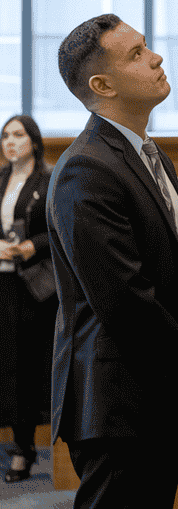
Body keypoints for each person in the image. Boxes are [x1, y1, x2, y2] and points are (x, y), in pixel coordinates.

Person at [47, 14, 178, 508]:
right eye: (136, 54)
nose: (156, 57)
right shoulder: (86, 167)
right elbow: (125, 299)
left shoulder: (150, 155)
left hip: (152, 392)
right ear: (102, 85)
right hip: (117, 403)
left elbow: (173, 270)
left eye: (146, 46)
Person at [0, 114, 57, 483]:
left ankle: (25, 449)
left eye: (18, 135)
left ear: (33, 141)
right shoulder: (0, 179)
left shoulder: (49, 180)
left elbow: (59, 231)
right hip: (1, 282)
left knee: (26, 368)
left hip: (33, 287)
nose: (10, 142)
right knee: (5, 365)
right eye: (5, 136)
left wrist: (30, 246)